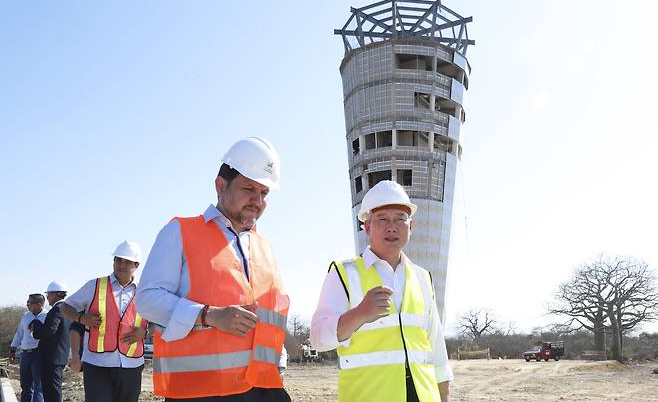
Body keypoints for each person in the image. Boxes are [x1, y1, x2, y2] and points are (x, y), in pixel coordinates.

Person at [136, 137, 290, 401]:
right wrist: (209, 315)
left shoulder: (265, 247)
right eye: (249, 189)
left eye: (264, 193)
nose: (258, 200)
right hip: (201, 391)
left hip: (264, 388)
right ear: (221, 185)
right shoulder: (180, 232)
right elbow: (147, 299)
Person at [310, 180, 454, 402]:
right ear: (366, 226)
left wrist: (444, 395)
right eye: (382, 219)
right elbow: (319, 339)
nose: (392, 227)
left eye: (400, 219)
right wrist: (359, 314)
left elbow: (435, 346)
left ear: (411, 226)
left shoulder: (422, 277)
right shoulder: (343, 274)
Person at [61, 240, 147, 402]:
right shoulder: (94, 285)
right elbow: (65, 307)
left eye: (127, 261)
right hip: (97, 364)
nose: (121, 265)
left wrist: (145, 332)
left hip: (131, 365)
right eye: (118, 260)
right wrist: (81, 318)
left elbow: (158, 320)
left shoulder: (145, 291)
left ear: (136, 265)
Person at [30, 282, 71, 402]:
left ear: (54, 294)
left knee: (51, 390)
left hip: (51, 358)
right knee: (52, 389)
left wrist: (36, 325)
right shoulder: (69, 309)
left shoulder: (57, 309)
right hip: (58, 357)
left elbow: (49, 330)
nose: (47, 297)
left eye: (48, 294)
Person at [10, 294, 47, 402]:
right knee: (25, 385)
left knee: (38, 386)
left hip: (39, 354)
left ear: (39, 304)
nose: (27, 305)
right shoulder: (26, 316)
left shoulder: (47, 316)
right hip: (25, 354)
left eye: (29, 303)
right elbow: (20, 333)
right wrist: (13, 348)